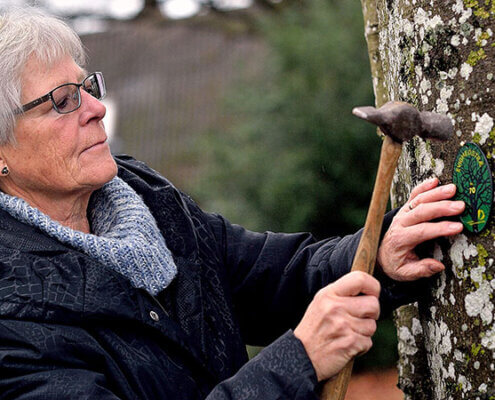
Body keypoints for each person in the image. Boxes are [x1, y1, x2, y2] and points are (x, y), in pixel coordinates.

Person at [0, 8, 465, 400]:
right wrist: (297, 362)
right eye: (62, 101)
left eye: (86, 86)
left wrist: (379, 254)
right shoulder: (12, 323)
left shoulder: (144, 197)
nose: (96, 107)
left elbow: (274, 279)